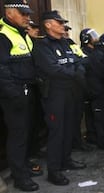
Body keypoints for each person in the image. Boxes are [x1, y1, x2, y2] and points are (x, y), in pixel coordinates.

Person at [33, 10, 87, 186]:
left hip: (70, 92)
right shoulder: (42, 46)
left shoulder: (65, 42)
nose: (63, 25)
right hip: (54, 95)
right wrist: (72, 72)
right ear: (48, 25)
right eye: (59, 22)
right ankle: (54, 171)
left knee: (69, 128)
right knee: (56, 132)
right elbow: (53, 70)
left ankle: (66, 160)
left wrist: (72, 71)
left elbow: (79, 61)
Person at [0, 0, 40, 191]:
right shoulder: (3, 35)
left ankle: (23, 167)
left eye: (28, 14)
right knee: (18, 136)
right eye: (23, 14)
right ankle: (19, 176)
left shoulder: (22, 34)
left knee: (26, 133)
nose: (28, 18)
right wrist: (15, 95)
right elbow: (2, 70)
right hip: (15, 95)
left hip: (28, 91)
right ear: (9, 14)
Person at [85, 32, 104, 149]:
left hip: (100, 91)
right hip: (98, 92)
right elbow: (103, 73)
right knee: (101, 119)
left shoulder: (99, 54)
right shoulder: (97, 56)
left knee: (102, 118)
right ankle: (102, 142)